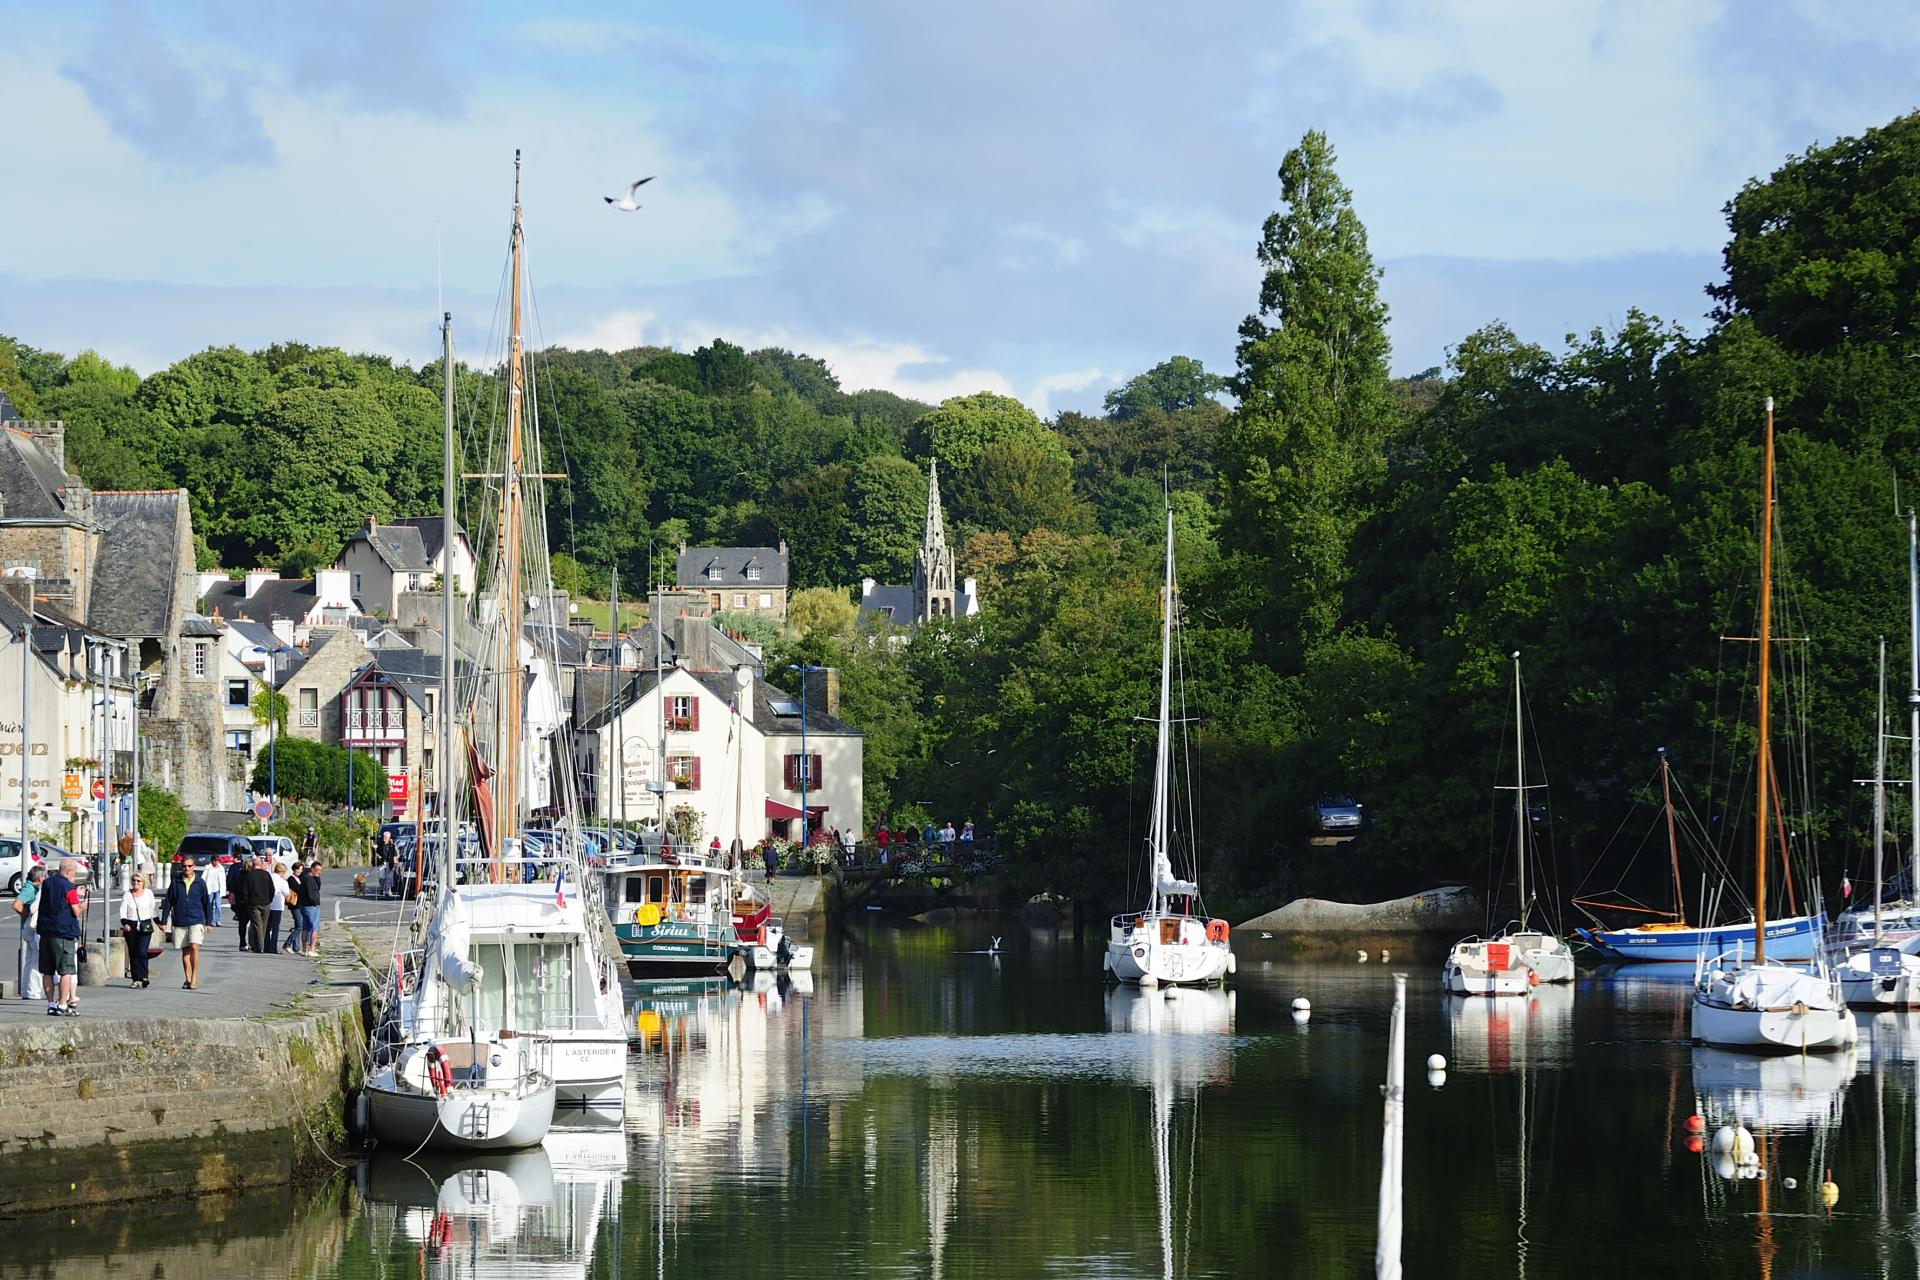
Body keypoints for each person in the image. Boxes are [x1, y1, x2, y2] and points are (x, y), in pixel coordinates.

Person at [37, 857, 85, 1016]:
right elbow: (75, 910)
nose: (74, 876)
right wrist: (83, 904)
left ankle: (51, 1004)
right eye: (74, 873)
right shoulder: (69, 887)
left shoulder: (47, 883)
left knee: (47, 971)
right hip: (63, 932)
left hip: (45, 931)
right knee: (66, 970)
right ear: (69, 871)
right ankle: (63, 1004)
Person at [160, 856, 212, 989]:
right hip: (180, 920)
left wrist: (209, 922)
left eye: (189, 866)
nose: (187, 869)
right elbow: (168, 902)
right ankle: (187, 977)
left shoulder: (200, 883)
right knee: (185, 952)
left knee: (194, 947)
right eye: (184, 866)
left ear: (194, 867)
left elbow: (206, 903)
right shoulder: (176, 882)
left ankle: (194, 977)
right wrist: (164, 920)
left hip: (196, 919)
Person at [119, 871, 157, 988]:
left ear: (143, 883)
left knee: (142, 951)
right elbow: (122, 911)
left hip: (145, 926)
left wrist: (159, 923)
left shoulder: (148, 893)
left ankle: (144, 976)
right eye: (134, 880)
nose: (135, 883)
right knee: (133, 953)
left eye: (138, 881)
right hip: (131, 925)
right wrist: (125, 923)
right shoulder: (127, 894)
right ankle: (135, 979)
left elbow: (153, 910)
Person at [13, 865, 44, 1002]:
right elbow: (17, 904)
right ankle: (33, 991)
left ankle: (26, 990)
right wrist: (27, 915)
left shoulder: (31, 887)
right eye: (44, 876)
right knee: (36, 960)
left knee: (30, 959)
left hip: (27, 929)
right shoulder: (30, 888)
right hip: (31, 928)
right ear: (39, 878)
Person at [241, 855, 273, 954]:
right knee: (263, 925)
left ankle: (259, 946)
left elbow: (245, 891)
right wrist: (269, 900)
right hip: (265, 902)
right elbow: (272, 889)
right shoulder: (267, 875)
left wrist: (247, 902)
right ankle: (258, 945)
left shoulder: (249, 875)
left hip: (253, 903)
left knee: (257, 925)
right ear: (261, 864)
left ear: (254, 865)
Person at [294, 860, 322, 956]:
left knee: (305, 928)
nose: (319, 872)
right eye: (317, 870)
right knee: (314, 928)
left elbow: (318, 887)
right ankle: (312, 949)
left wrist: (317, 878)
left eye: (320, 870)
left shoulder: (305, 878)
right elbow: (311, 894)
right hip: (311, 907)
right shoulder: (309, 879)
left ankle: (304, 949)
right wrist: (315, 903)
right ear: (312, 869)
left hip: (303, 906)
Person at [230, 854, 256, 951]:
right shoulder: (252, 875)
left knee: (242, 924)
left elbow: (233, 886)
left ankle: (242, 942)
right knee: (254, 923)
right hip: (251, 901)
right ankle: (253, 943)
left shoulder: (238, 875)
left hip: (240, 901)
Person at [265, 861, 292, 954]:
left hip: (268, 904)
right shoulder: (282, 881)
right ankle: (273, 947)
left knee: (267, 926)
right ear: (282, 872)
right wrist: (285, 881)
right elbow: (287, 892)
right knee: (275, 927)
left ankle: (266, 946)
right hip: (277, 906)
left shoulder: (269, 877)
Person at [204, 855, 226, 927]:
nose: (216, 862)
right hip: (210, 889)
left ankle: (218, 920)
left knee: (218, 905)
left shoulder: (221, 868)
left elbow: (223, 880)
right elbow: (203, 877)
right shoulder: (208, 868)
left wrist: (224, 889)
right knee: (209, 905)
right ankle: (210, 920)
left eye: (217, 860)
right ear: (212, 861)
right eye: (214, 860)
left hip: (218, 889)